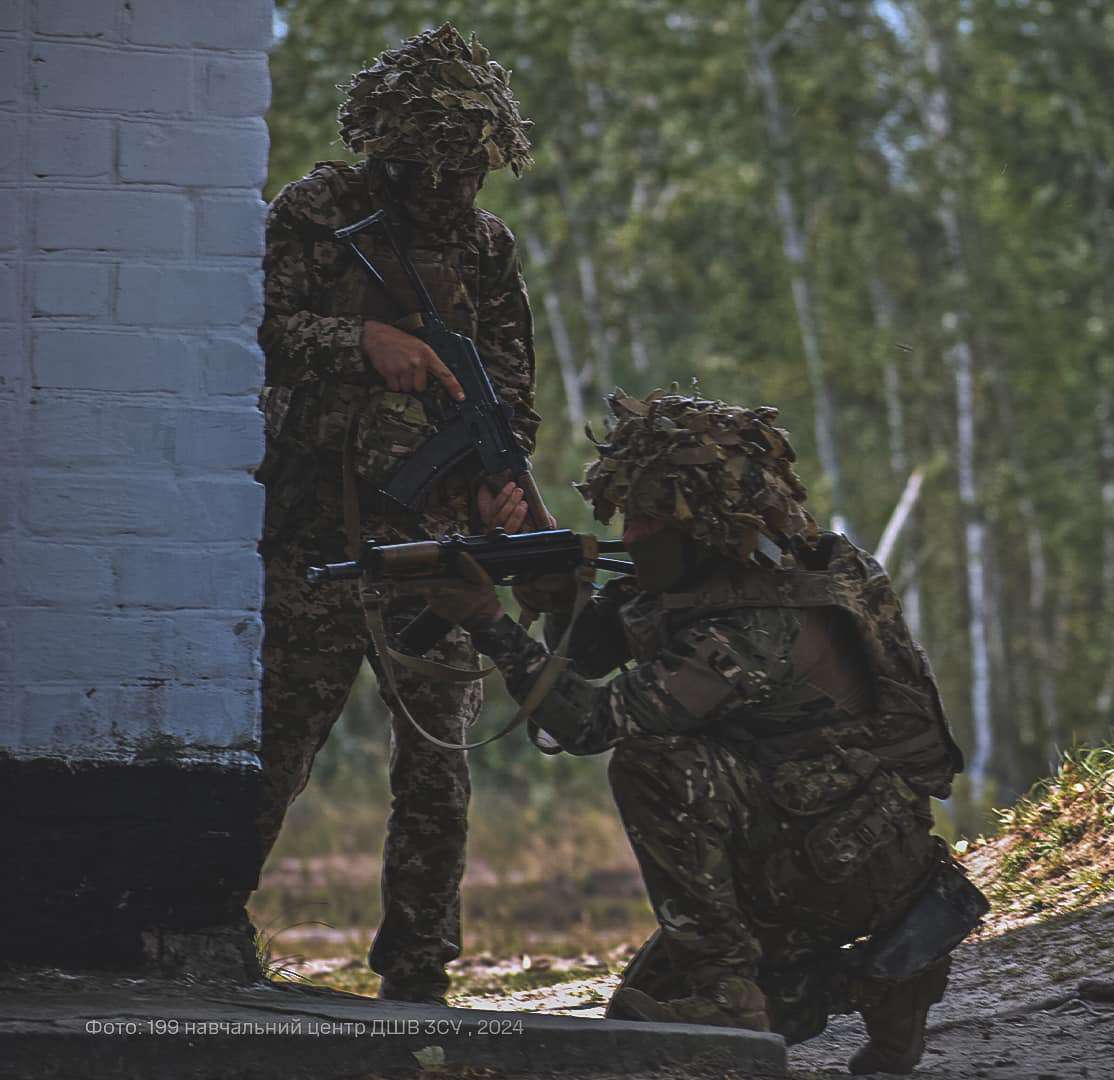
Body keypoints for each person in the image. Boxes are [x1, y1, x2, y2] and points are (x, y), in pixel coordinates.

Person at [426, 390, 980, 1075]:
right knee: (640, 1012)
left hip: (834, 861)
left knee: (651, 762)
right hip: (866, 841)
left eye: (647, 519)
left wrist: (491, 625)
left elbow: (593, 723)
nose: (630, 536)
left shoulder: (748, 629)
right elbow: (599, 645)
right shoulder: (789, 567)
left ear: (702, 524)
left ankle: (737, 997)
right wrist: (552, 586)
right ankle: (886, 994)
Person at [253, 24, 547, 1003]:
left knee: (439, 761)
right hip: (315, 530)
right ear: (390, 144)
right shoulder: (322, 210)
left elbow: (510, 397)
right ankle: (202, 926)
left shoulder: (486, 248)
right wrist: (362, 341)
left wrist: (503, 489)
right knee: (276, 743)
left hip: (435, 546)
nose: (454, 184)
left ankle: (419, 962)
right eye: (434, 161)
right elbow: (257, 321)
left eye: (470, 163)